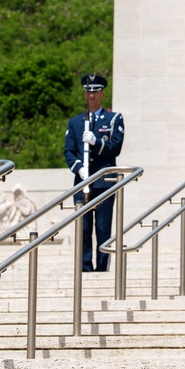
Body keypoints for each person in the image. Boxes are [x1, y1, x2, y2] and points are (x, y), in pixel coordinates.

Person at [63, 73, 125, 272]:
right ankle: (85, 268)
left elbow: (115, 147)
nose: (91, 96)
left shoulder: (113, 119)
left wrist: (96, 142)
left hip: (105, 181)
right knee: (83, 228)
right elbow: (69, 151)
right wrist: (79, 168)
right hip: (83, 181)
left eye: (95, 92)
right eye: (89, 92)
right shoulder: (75, 122)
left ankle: (102, 268)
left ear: (102, 94)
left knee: (103, 228)